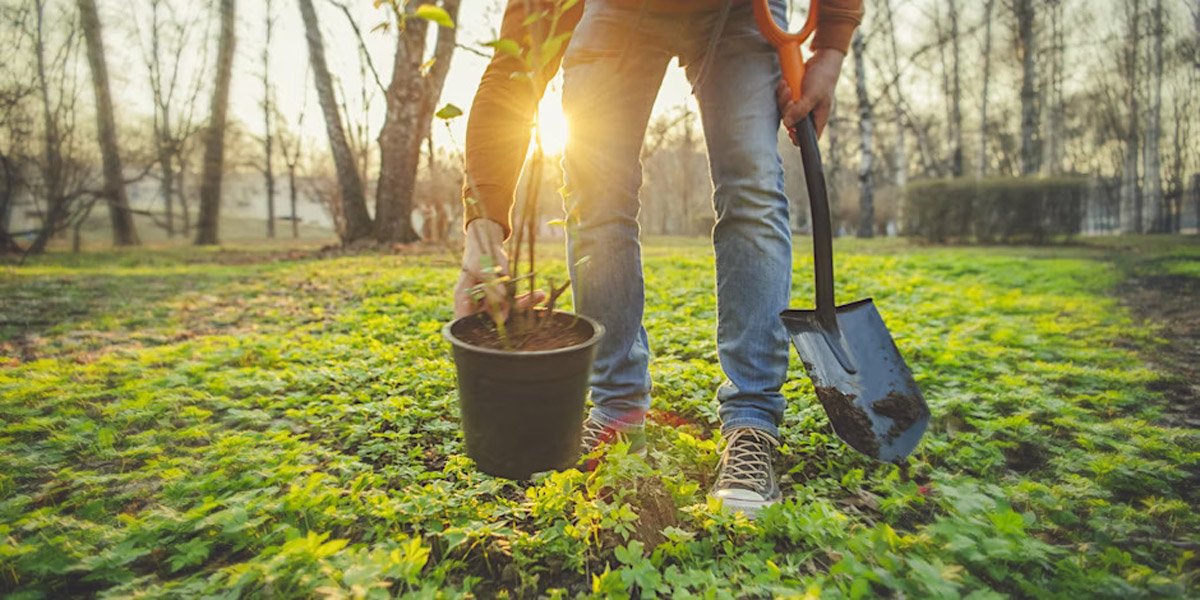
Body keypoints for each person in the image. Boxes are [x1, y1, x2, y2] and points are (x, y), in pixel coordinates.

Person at [454, 0, 862, 517]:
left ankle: (752, 421)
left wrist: (831, 45)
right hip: (616, 10)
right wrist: (483, 226)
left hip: (739, 9)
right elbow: (516, 64)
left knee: (752, 184)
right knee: (594, 191)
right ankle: (617, 414)